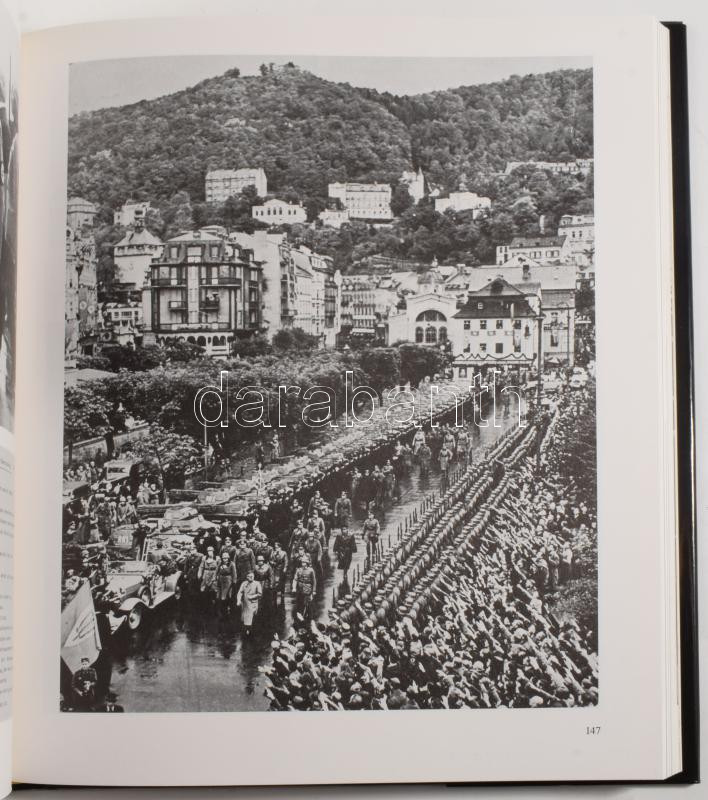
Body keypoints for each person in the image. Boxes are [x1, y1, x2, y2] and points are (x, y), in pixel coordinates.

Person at [236, 570, 263, 635]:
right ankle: (246, 631)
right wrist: (238, 600)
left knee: (251, 618)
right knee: (244, 618)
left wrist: (251, 597)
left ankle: (250, 631)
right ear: (246, 577)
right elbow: (240, 592)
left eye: (252, 576)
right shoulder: (244, 583)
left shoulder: (257, 583)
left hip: (253, 603)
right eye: (249, 576)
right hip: (245, 603)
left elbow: (260, 594)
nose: (251, 577)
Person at [292, 554, 316, 622]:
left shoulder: (311, 570)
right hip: (300, 589)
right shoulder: (298, 570)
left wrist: (314, 591)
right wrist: (294, 587)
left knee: (308, 604)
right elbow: (295, 579)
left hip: (308, 589)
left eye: (304, 562)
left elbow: (314, 581)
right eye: (302, 562)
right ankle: (299, 617)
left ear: (307, 563)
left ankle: (310, 618)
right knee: (299, 603)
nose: (303, 564)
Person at [215, 552, 237, 617]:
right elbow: (216, 571)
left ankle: (226, 610)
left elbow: (234, 573)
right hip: (220, 579)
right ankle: (220, 610)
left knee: (225, 596)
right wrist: (215, 578)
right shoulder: (220, 563)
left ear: (228, 558)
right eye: (224, 558)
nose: (225, 559)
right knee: (218, 595)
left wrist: (234, 582)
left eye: (226, 558)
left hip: (228, 580)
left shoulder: (232, 564)